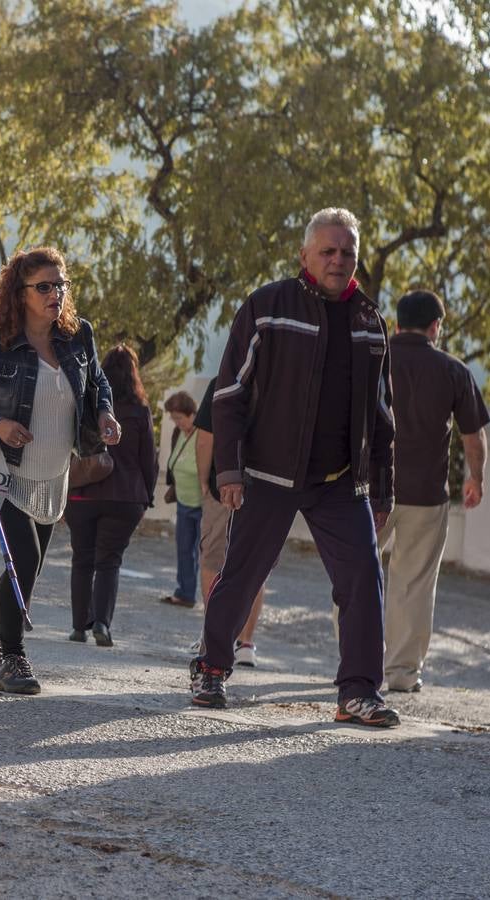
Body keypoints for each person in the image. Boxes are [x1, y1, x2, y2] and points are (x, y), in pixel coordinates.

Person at [190, 207, 399, 727]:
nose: (338, 260)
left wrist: (382, 490)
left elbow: (382, 416)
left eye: (347, 252)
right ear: (304, 255)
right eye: (328, 251)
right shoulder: (268, 307)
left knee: (362, 578)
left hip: (340, 482)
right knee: (243, 574)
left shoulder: (370, 322)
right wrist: (230, 469)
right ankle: (212, 666)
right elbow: (230, 393)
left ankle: (357, 692)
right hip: (269, 473)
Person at [0, 247, 121, 691]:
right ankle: (13, 658)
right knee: (24, 560)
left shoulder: (78, 336)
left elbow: (98, 383)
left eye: (61, 285)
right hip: (5, 469)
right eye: (44, 287)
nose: (56, 293)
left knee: (26, 568)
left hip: (54, 472)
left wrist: (105, 414)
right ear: (21, 292)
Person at [377, 289, 488, 692]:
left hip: (371, 491)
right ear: (435, 327)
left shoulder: (375, 359)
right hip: (426, 494)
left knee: (356, 573)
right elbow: (472, 437)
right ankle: (402, 674)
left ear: (398, 321)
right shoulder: (452, 369)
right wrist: (474, 478)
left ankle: (355, 662)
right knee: (414, 583)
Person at [64, 345, 156, 647]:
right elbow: (148, 461)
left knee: (82, 560)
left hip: (82, 495)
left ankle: (79, 626)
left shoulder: (87, 406)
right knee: (109, 561)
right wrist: (147, 496)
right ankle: (102, 623)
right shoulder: (140, 412)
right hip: (125, 497)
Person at [191, 377, 271, 667]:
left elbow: (205, 439)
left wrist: (203, 481)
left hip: (222, 486)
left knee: (213, 561)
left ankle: (211, 637)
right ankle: (246, 642)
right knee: (256, 565)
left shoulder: (222, 383)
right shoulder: (281, 383)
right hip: (267, 491)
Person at [161, 391, 201, 608]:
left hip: (204, 503)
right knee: (184, 548)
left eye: (179, 418)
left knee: (205, 553)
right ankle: (185, 593)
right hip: (184, 501)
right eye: (174, 418)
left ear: (191, 413)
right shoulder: (179, 433)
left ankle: (209, 596)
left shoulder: (203, 434)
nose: (177, 422)